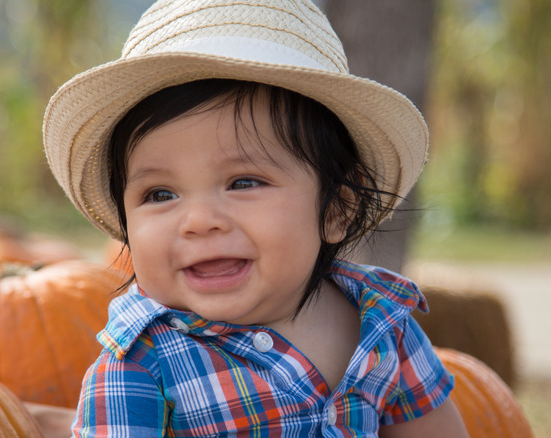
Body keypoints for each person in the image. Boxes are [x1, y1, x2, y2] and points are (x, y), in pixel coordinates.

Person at [43, 0, 469, 436]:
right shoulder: (142, 361)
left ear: (337, 209)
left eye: (243, 183)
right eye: (160, 194)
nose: (199, 221)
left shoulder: (383, 324)